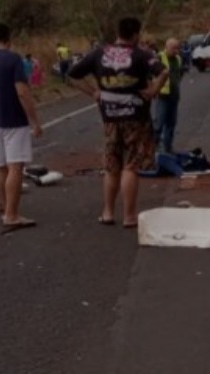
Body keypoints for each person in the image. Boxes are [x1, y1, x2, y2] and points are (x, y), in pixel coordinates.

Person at [68, 17, 167, 228]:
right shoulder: (142, 55)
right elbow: (164, 71)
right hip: (136, 117)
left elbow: (72, 75)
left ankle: (108, 212)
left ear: (118, 32)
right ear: (136, 34)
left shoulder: (99, 53)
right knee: (130, 166)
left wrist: (94, 92)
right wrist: (153, 91)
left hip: (110, 117)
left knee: (112, 165)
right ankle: (129, 216)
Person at [0, 23, 43, 233]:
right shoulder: (14, 60)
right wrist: (34, 121)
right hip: (14, 119)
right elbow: (22, 91)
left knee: (0, 166)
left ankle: (6, 210)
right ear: (8, 38)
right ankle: (12, 214)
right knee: (16, 167)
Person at [153, 38, 183, 154]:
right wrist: (154, 89)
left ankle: (168, 148)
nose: (176, 51)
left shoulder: (179, 59)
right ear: (167, 47)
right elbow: (151, 75)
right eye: (173, 48)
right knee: (159, 123)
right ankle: (154, 148)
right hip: (162, 95)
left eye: (177, 48)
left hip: (174, 96)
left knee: (171, 124)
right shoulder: (159, 58)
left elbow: (179, 74)